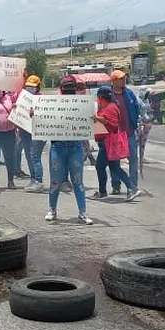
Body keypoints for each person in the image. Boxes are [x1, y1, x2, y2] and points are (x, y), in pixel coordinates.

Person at [45, 75, 92, 224]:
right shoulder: (52, 104)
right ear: (61, 88)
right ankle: (52, 210)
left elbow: (86, 122)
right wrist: (35, 115)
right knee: (55, 181)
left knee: (78, 181)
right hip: (58, 147)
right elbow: (43, 120)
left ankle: (82, 213)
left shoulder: (82, 104)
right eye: (66, 88)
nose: (69, 91)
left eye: (71, 88)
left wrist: (92, 119)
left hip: (75, 147)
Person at [93, 86, 136, 202]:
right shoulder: (109, 107)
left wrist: (101, 119)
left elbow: (113, 125)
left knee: (100, 167)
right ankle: (131, 188)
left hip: (108, 143)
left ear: (101, 98)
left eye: (98, 98)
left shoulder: (110, 108)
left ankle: (103, 192)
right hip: (106, 143)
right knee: (115, 168)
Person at [109, 70, 144, 200]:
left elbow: (136, 108)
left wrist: (138, 123)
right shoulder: (108, 94)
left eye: (124, 78)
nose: (123, 80)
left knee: (133, 160)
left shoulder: (129, 93)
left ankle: (133, 187)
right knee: (114, 161)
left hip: (129, 132)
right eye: (120, 79)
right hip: (114, 134)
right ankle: (116, 186)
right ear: (114, 81)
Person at [19, 75, 46, 192]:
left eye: (33, 87)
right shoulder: (23, 97)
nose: (30, 88)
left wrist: (35, 112)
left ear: (38, 87)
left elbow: (46, 116)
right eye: (28, 86)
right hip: (25, 130)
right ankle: (33, 178)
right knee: (29, 156)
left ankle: (39, 181)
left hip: (37, 132)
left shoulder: (42, 99)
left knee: (35, 157)